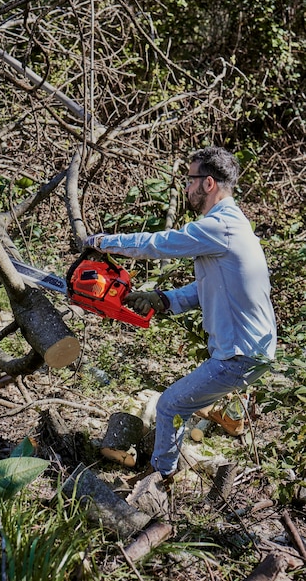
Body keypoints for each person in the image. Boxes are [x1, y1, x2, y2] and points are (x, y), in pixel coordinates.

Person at [84, 146, 277, 483]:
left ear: (209, 184)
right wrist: (163, 299)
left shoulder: (221, 227)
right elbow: (207, 290)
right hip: (247, 351)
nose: (187, 187)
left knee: (172, 404)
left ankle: (159, 480)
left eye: (191, 180)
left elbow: (157, 243)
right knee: (179, 402)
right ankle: (165, 471)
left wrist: (102, 241)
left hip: (239, 354)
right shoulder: (230, 227)